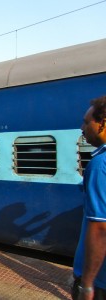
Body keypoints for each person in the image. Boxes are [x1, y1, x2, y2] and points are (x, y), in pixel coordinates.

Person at [72, 96, 106, 300]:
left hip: (100, 279)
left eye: (86, 122)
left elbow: (101, 228)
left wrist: (87, 284)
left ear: (102, 123)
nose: (82, 127)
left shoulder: (100, 165)